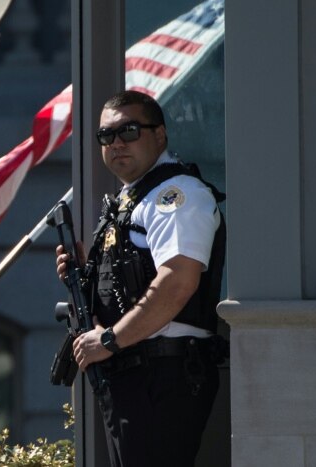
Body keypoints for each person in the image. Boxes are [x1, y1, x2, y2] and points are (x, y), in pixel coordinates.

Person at [56, 90, 226, 467]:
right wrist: (87, 274)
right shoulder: (131, 200)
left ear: (160, 135)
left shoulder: (176, 195)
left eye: (129, 131)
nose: (117, 143)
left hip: (163, 373)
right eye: (107, 136)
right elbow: (128, 282)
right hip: (132, 370)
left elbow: (177, 283)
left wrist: (110, 339)